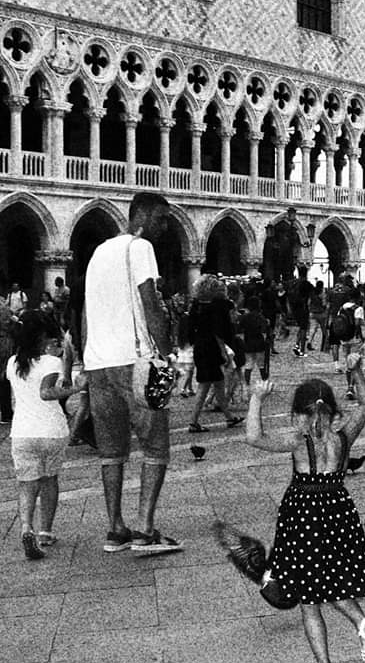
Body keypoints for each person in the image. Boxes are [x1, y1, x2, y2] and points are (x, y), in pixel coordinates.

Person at [245, 370, 365, 663]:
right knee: (334, 582)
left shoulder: (298, 441)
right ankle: (362, 626)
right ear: (333, 412)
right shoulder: (343, 437)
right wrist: (356, 370)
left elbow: (253, 437)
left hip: (303, 519)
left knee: (309, 598)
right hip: (339, 514)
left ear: (297, 414)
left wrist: (257, 397)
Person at [82, 191, 179, 554]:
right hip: (134, 362)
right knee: (155, 445)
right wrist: (167, 356)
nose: (166, 226)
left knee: (112, 450)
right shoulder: (139, 248)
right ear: (143, 217)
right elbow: (150, 301)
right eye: (162, 219)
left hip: (99, 365)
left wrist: (88, 358)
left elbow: (85, 311)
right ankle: (144, 528)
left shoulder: (98, 253)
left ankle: (115, 528)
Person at [7, 309, 82, 559]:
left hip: (22, 433)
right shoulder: (51, 362)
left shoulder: (12, 362)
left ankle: (26, 527)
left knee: (27, 486)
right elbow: (47, 393)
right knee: (50, 480)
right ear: (42, 337)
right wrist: (74, 389)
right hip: (51, 431)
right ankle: (45, 531)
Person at [187, 275, 244, 433]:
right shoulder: (214, 307)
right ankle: (193, 422)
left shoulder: (196, 306)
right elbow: (218, 332)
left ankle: (229, 417)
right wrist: (223, 351)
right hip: (211, 348)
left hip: (200, 347)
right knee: (204, 387)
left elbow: (190, 329)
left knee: (218, 383)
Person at [289, 266, 315, 358]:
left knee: (301, 327)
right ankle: (302, 350)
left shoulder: (293, 283)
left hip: (294, 308)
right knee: (304, 328)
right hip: (303, 308)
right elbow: (312, 296)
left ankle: (296, 345)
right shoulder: (306, 284)